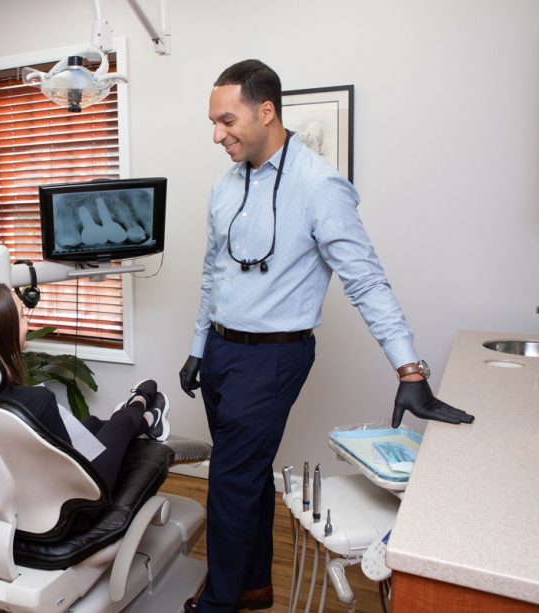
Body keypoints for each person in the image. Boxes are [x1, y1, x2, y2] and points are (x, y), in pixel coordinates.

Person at [178, 60, 474, 612]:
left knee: (230, 481)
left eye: (226, 120)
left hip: (272, 359)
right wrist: (198, 349)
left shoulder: (319, 186)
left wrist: (410, 369)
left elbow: (367, 282)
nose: (217, 134)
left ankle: (219, 603)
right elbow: (212, 273)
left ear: (266, 111)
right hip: (220, 351)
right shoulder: (224, 187)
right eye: (213, 123)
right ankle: (254, 585)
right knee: (246, 475)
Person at [0, 282, 168, 493]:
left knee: (91, 423)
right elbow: (71, 468)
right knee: (120, 422)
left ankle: (146, 421)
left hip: (11, 496)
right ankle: (142, 408)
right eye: (22, 316)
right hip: (75, 502)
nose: (28, 324)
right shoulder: (34, 402)